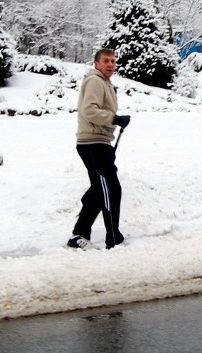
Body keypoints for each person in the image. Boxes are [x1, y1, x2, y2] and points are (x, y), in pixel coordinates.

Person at [67, 48, 130, 250]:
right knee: (109, 188)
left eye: (113, 61)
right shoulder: (95, 81)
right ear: (96, 63)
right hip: (92, 142)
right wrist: (114, 119)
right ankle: (112, 237)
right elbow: (89, 110)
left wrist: (114, 122)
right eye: (106, 61)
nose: (111, 64)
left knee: (100, 188)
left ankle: (79, 234)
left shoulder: (105, 83)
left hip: (100, 141)